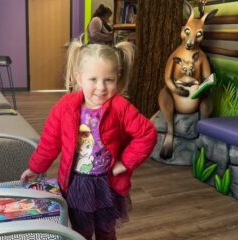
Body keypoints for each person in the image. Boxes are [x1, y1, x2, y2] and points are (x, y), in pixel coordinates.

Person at [20, 39, 157, 240]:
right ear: (79, 78)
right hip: (77, 184)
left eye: (108, 80)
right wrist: (34, 168)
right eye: (93, 79)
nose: (101, 87)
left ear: (117, 79)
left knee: (106, 230)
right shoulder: (65, 107)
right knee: (79, 232)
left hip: (107, 184)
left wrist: (125, 162)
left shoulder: (121, 107)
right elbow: (49, 142)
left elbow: (147, 134)